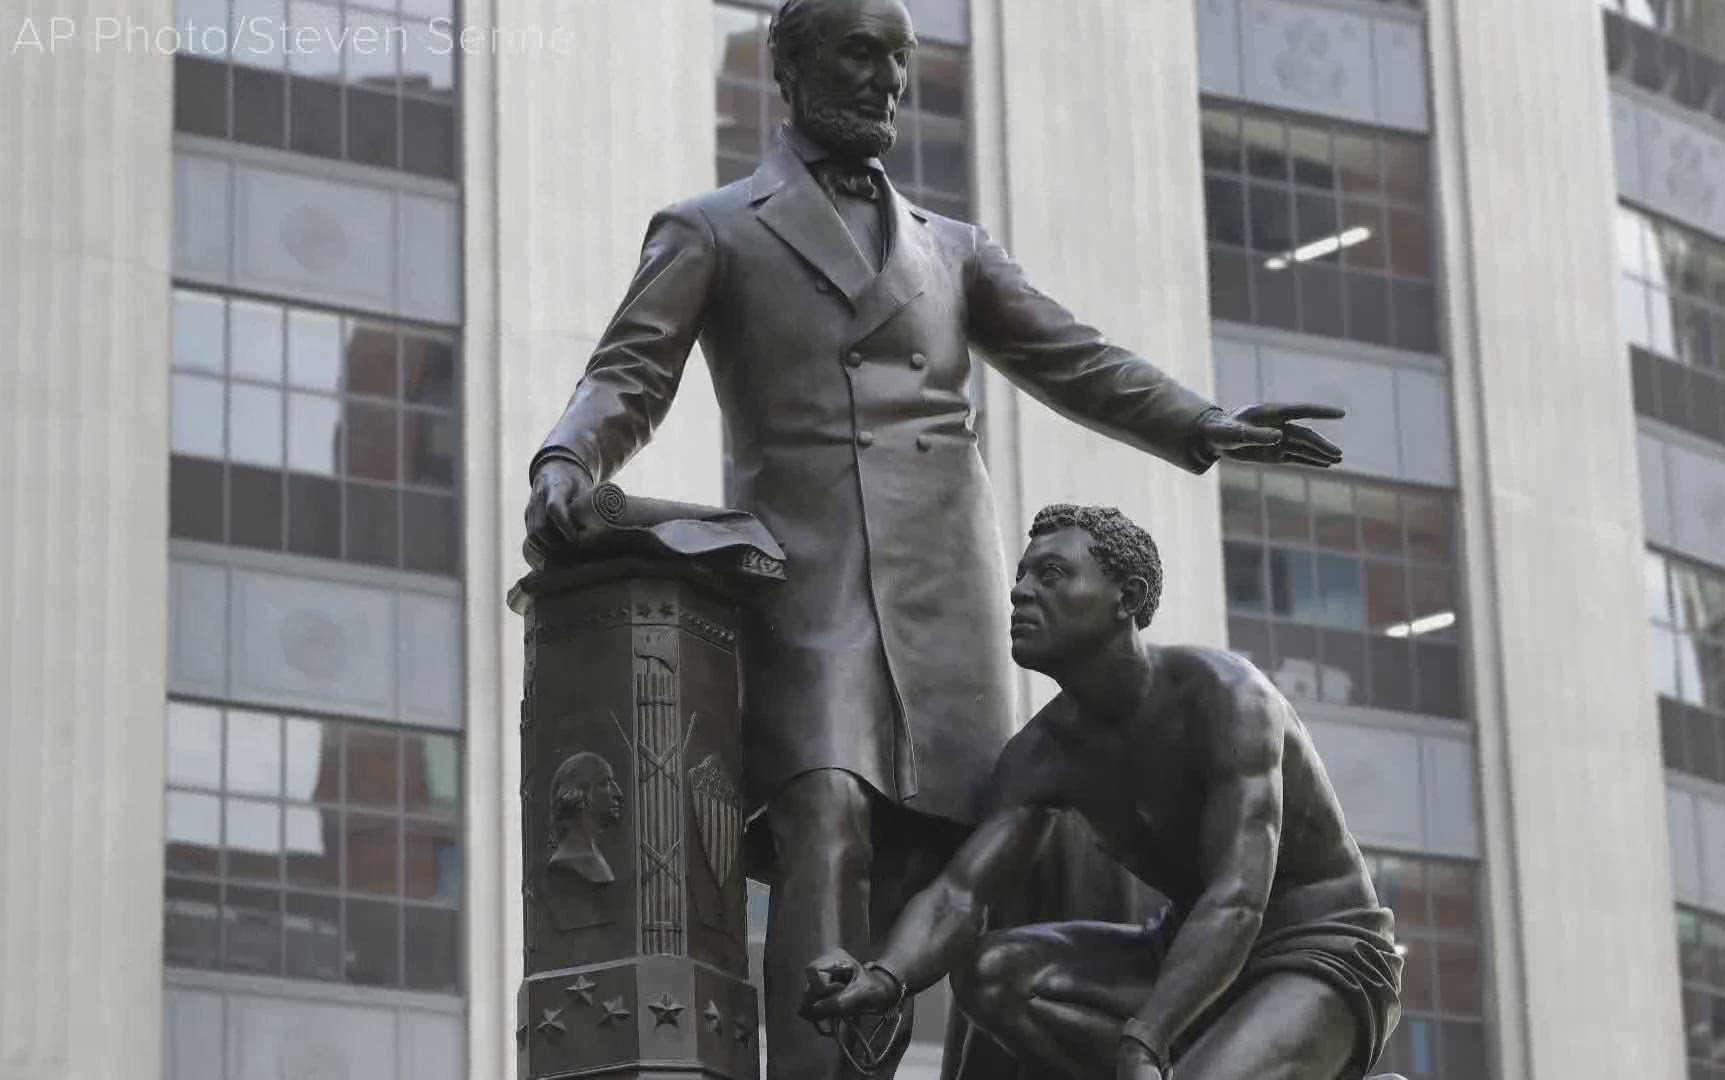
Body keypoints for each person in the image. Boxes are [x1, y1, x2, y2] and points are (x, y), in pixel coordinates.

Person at [522, 0, 1345, 1074]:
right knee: (827, 813)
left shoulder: (952, 251)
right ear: (792, 62)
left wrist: (1204, 423)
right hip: (808, 584)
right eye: (861, 54)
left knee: (956, 855)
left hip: (949, 591)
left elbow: (1075, 357)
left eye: (901, 61)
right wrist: (567, 460)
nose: (887, 82)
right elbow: (628, 372)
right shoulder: (713, 226)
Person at [803, 505, 1402, 1080]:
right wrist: (883, 976)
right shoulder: (1044, 753)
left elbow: (1238, 898)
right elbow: (961, 897)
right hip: (1183, 956)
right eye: (1022, 575)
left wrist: (1149, 1034)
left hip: (1315, 953)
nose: (1021, 591)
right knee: (994, 974)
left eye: (1053, 574)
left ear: (1129, 598)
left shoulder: (1227, 698)